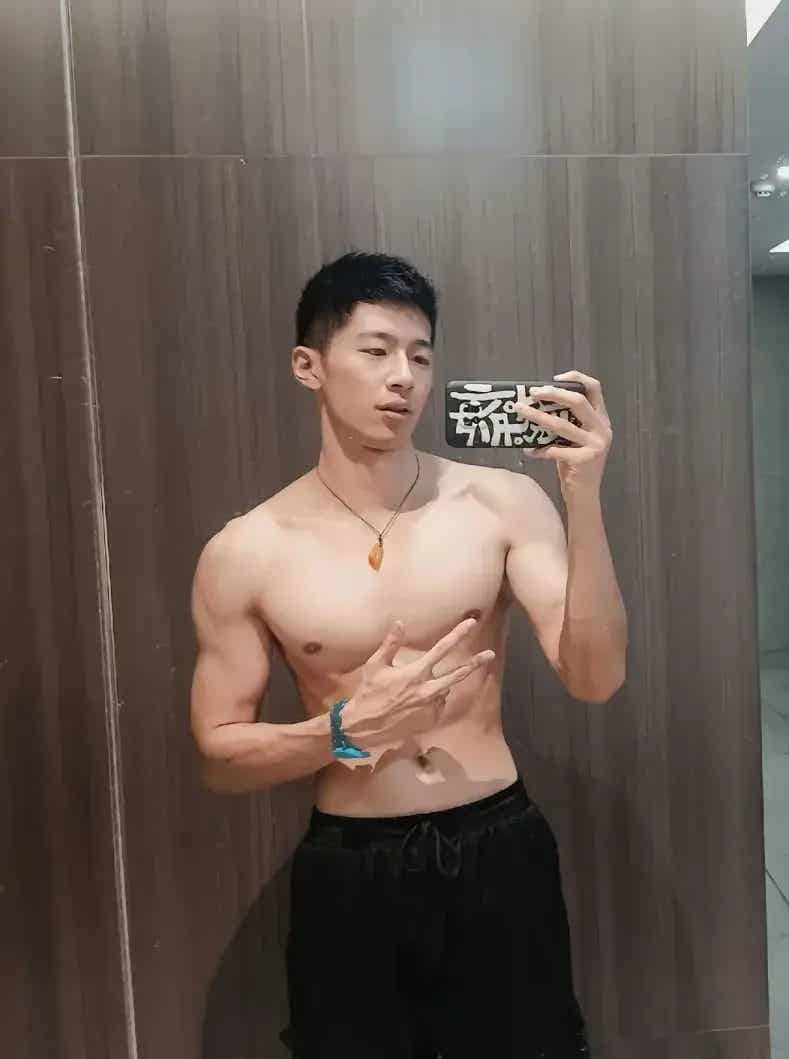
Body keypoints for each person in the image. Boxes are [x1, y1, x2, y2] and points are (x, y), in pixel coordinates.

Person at [189, 251, 627, 1057]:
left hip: (497, 846)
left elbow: (595, 677)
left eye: (421, 356)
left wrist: (583, 496)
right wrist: (343, 728)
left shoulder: (499, 501)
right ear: (308, 366)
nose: (404, 377)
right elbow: (219, 758)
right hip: (348, 865)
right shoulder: (246, 550)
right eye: (376, 350)